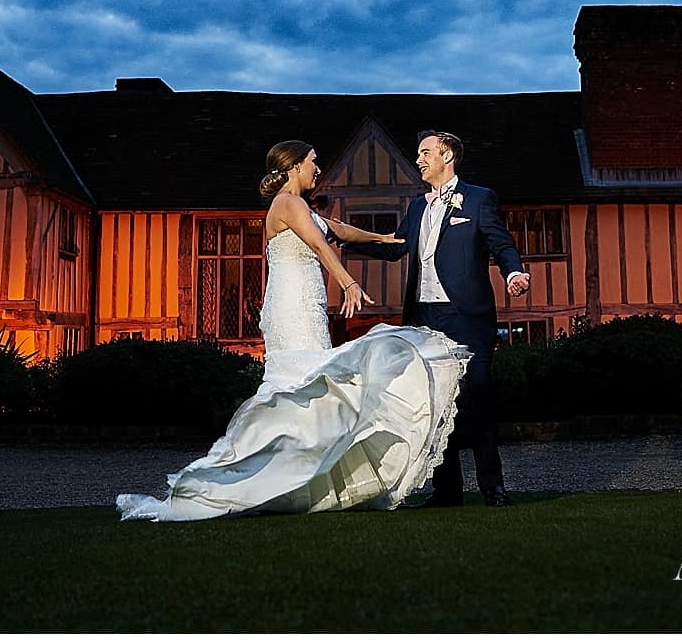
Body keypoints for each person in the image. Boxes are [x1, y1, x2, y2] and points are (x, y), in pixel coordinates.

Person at [117, 140, 471, 522]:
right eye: (313, 162)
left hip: (308, 306)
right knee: (299, 388)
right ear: (295, 166)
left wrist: (383, 239)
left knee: (312, 393)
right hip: (292, 308)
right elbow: (320, 244)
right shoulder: (287, 203)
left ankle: (300, 481)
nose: (318, 169)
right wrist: (348, 282)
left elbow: (338, 230)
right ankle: (225, 480)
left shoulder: (301, 206)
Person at [345, 131, 529, 508]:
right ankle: (447, 491)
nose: (418, 159)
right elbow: (397, 248)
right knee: (435, 404)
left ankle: (493, 487)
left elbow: (502, 244)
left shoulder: (478, 199)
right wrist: (341, 240)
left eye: (425, 152)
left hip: (465, 315)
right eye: (417, 154)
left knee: (477, 398)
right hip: (424, 318)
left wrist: (514, 272)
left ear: (447, 156)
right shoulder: (416, 207)